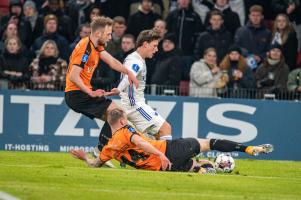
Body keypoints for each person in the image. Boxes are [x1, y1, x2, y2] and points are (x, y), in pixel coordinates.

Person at [70, 108, 273, 172]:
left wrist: (83, 158)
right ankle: (248, 149)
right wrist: (160, 154)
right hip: (167, 151)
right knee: (209, 143)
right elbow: (141, 143)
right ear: (122, 119)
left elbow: (95, 164)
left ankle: (205, 168)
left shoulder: (108, 148)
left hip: (162, 168)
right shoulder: (126, 130)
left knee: (197, 165)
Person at [64, 16, 138, 157]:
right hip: (77, 94)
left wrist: (128, 72)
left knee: (117, 120)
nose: (110, 37)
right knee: (119, 114)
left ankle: (110, 153)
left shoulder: (96, 45)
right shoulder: (85, 48)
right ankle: (101, 152)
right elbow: (74, 76)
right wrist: (90, 92)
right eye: (108, 34)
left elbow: (111, 61)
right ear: (98, 33)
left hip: (79, 93)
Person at [106, 29, 172, 141]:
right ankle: (169, 157)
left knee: (151, 139)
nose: (156, 49)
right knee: (165, 129)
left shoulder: (136, 58)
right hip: (135, 106)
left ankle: (99, 151)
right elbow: (129, 76)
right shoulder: (135, 60)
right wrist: (119, 89)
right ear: (145, 44)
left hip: (132, 105)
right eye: (154, 46)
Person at [234, 5, 271, 70]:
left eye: (258, 15)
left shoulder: (267, 33)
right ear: (249, 16)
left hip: (262, 67)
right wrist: (249, 55)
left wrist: (260, 57)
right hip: (243, 65)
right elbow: (236, 47)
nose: (255, 18)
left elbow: (269, 50)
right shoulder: (240, 31)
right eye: (253, 15)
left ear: (262, 17)